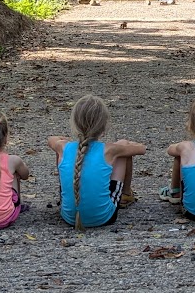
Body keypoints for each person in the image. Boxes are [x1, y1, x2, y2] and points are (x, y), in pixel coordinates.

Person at [48, 95, 146, 229]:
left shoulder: (64, 147)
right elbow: (141, 149)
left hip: (69, 217)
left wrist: (65, 141)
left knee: (61, 153)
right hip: (103, 217)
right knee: (122, 149)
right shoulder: (110, 150)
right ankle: (126, 194)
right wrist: (125, 145)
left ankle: (67, 195)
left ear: (75, 123)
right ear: (104, 126)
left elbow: (51, 139)